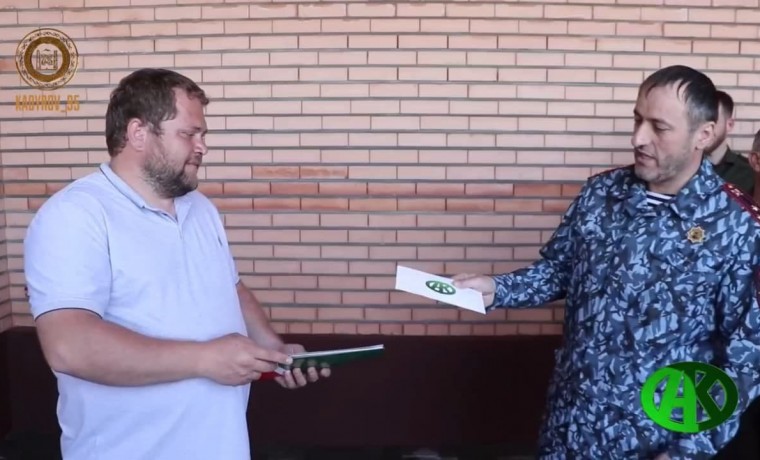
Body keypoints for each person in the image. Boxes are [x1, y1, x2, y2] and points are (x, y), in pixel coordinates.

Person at [453, 65, 760, 459]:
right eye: (637, 120)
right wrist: (497, 289)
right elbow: (558, 270)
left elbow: (746, 357)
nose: (638, 138)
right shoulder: (601, 193)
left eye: (659, 127)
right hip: (571, 427)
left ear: (704, 134)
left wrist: (689, 449)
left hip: (655, 440)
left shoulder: (737, 225)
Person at [23, 68, 330, 460]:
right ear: (138, 133)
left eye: (203, 135)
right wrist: (205, 359)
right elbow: (70, 347)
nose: (202, 147)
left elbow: (230, 286)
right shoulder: (75, 215)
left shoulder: (200, 209)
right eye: (189, 134)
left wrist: (271, 348)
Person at [705, 90, 754, 194]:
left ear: (729, 125)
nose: (705, 129)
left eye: (712, 121)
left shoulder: (750, 173)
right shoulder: (682, 168)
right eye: (699, 120)